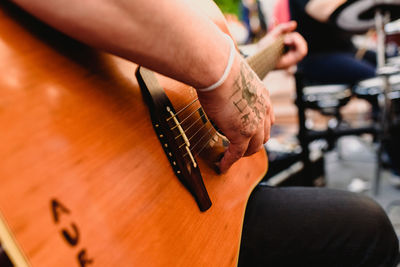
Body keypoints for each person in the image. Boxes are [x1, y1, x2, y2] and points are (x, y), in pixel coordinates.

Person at [10, 0, 399, 266]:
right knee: (364, 230)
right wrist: (222, 69)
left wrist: (257, 55)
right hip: (69, 186)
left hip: (165, 197)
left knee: (360, 223)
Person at [289, 0, 377, 85]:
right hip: (317, 56)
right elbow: (326, 11)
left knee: (388, 64)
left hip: (347, 49)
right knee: (374, 77)